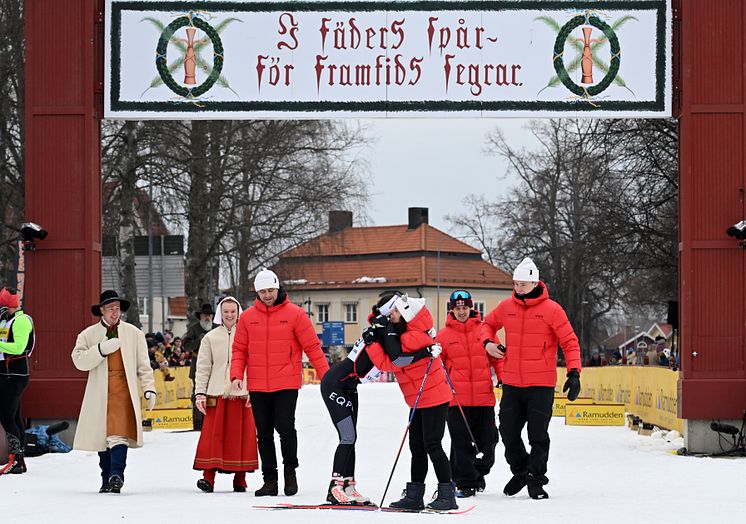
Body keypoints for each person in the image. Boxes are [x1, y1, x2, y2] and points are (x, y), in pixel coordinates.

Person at [481, 257, 581, 500]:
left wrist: (574, 372)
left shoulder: (552, 310)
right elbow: (486, 325)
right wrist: (488, 343)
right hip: (513, 383)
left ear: (535, 283)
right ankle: (521, 469)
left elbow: (569, 342)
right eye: (515, 284)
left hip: (541, 384)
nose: (518, 289)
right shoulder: (506, 307)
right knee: (507, 433)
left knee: (538, 435)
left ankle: (536, 480)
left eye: (523, 285)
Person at [320, 292, 434, 505]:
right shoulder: (385, 328)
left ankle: (349, 485)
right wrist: (425, 351)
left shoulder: (386, 326)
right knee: (347, 437)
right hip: (335, 384)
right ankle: (334, 487)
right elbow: (398, 359)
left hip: (349, 387)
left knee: (351, 438)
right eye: (398, 308)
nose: (401, 312)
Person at [230, 268, 330, 497]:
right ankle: (270, 480)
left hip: (286, 382)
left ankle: (290, 472)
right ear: (257, 292)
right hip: (257, 384)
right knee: (263, 433)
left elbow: (312, 346)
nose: (267, 295)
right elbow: (239, 350)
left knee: (285, 428)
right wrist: (236, 375)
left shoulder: (295, 314)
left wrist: (327, 376)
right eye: (263, 291)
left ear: (278, 288)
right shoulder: (247, 317)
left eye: (271, 290)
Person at [365, 294, 457, 511]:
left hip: (434, 396)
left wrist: (383, 330)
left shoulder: (412, 337)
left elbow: (396, 360)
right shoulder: (404, 333)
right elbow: (387, 362)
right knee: (417, 447)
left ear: (406, 315)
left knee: (433, 445)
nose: (391, 315)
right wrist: (373, 337)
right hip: (419, 398)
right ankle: (415, 495)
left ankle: (447, 493)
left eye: (395, 312)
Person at [71, 290, 156, 493]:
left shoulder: (133, 333)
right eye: (110, 308)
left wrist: (149, 388)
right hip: (99, 394)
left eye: (117, 308)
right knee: (103, 437)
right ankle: (106, 478)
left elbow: (144, 366)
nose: (114, 312)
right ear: (101, 310)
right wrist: (100, 349)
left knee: (119, 436)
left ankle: (116, 475)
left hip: (123, 393)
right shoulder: (88, 334)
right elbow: (78, 360)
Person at [436, 289, 500, 498]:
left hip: (483, 397)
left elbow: (497, 358)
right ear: (452, 310)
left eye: (465, 307)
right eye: (458, 308)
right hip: (456, 400)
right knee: (461, 442)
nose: (462, 312)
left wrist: (503, 378)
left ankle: (477, 473)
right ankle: (465, 483)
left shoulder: (485, 331)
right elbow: (438, 366)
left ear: (471, 308)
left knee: (488, 441)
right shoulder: (443, 335)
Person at [193, 296, 258, 493]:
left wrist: (253, 391)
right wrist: (200, 394)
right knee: (214, 437)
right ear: (220, 314)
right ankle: (208, 478)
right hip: (216, 393)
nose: (229, 315)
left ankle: (240, 479)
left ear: (239, 313)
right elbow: (203, 367)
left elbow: (254, 366)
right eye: (226, 312)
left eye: (233, 311)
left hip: (241, 393)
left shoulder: (249, 335)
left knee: (241, 437)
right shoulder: (210, 338)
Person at [0, 288, 34, 475]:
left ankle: (15, 458)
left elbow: (19, 346)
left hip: (16, 375)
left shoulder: (21, 320)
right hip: (5, 374)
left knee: (6, 415)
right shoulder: (5, 319)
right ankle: (19, 459)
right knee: (14, 416)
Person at [184, 303, 217, 430]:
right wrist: (199, 340)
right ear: (200, 316)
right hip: (198, 365)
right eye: (205, 315)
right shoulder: (194, 329)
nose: (207, 317)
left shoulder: (217, 328)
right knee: (198, 393)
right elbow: (186, 346)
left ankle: (214, 421)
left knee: (214, 394)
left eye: (209, 315)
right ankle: (198, 423)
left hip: (215, 366)